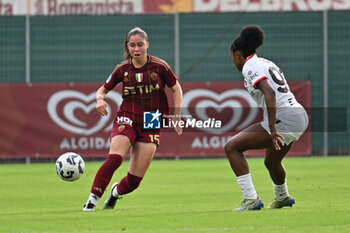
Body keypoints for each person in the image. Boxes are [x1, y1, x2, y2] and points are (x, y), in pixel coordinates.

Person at [83, 27, 183, 211]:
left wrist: (176, 116)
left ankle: (114, 192)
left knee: (133, 182)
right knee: (115, 158)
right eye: (132, 45)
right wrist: (99, 99)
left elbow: (176, 89)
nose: (136, 49)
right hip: (127, 116)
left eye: (140, 45)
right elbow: (102, 89)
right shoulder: (122, 69)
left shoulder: (160, 66)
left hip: (152, 119)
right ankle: (92, 201)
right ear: (127, 47)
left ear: (147, 45)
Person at [225, 25, 308, 211]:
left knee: (232, 147)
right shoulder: (265, 62)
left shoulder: (249, 66)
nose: (233, 61)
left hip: (284, 117)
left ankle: (250, 199)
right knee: (271, 161)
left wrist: (272, 127)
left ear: (237, 54)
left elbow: (269, 93)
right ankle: (282, 197)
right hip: (299, 115)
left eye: (232, 57)